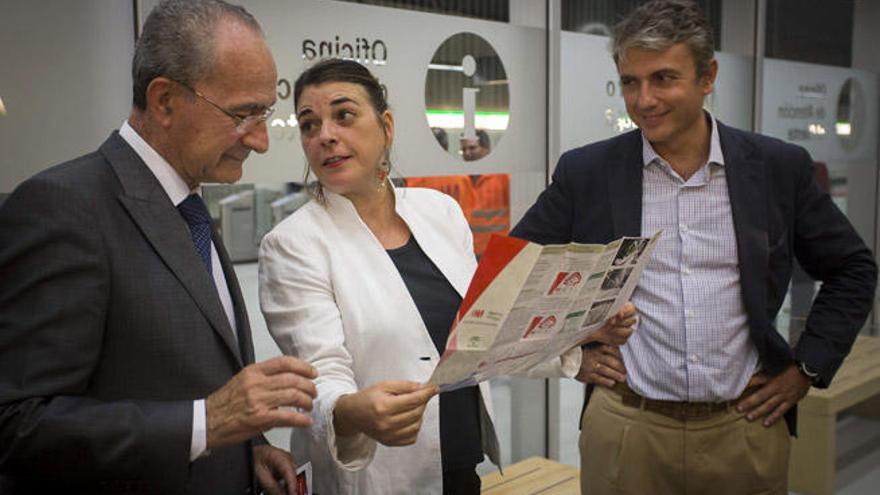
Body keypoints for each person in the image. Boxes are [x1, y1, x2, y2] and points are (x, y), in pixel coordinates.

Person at [510, 1, 877, 494]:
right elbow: (514, 273)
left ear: (708, 77)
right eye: (630, 82)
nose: (644, 100)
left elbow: (853, 268)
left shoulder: (776, 168)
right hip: (626, 427)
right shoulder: (588, 172)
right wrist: (573, 348)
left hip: (744, 426)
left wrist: (805, 368)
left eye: (664, 78)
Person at [258, 58, 636, 495]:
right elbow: (320, 371)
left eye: (344, 115)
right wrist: (349, 411)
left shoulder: (438, 211)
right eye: (309, 125)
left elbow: (484, 331)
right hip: (380, 475)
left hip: (460, 462)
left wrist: (579, 339)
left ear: (386, 126)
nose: (325, 135)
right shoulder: (293, 243)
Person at [0, 1, 318, 494]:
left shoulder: (188, 202)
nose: (261, 142)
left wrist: (247, 446)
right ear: (165, 100)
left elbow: (193, 372)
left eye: (264, 114)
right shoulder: (65, 207)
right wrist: (205, 424)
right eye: (242, 114)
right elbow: (18, 424)